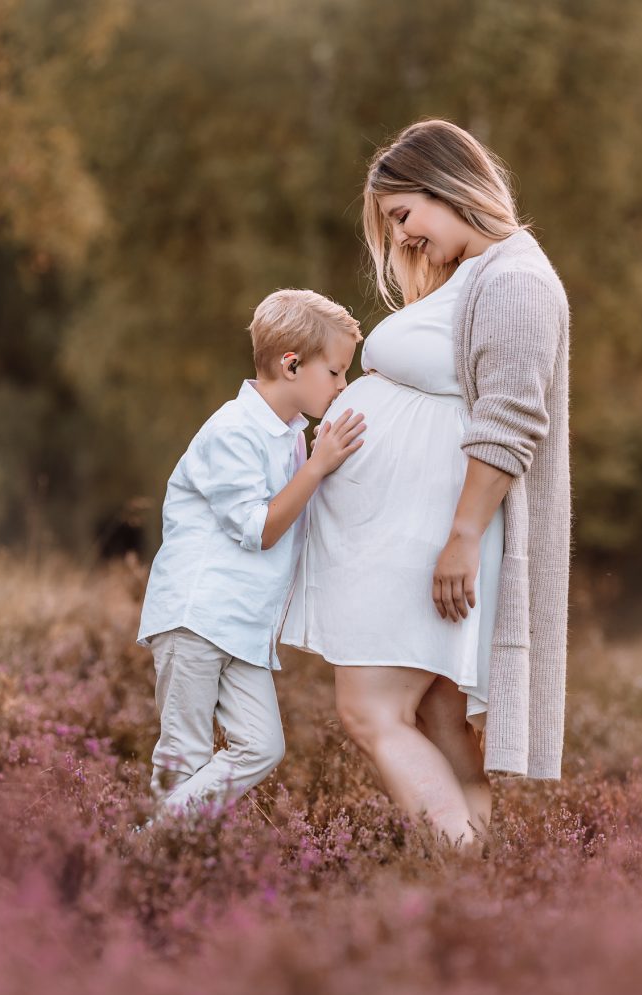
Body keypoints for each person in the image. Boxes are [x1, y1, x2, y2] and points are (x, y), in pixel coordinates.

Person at [281, 120, 571, 850]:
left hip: (434, 533)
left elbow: (509, 422)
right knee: (438, 718)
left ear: (448, 188)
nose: (403, 238)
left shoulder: (515, 280)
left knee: (370, 710)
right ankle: (481, 885)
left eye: (404, 215)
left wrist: (462, 538)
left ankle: (457, 871)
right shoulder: (482, 275)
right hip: (417, 530)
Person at [136, 289, 365, 821]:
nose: (342, 384)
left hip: (243, 627)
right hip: (195, 617)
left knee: (261, 746)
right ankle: (153, 867)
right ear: (291, 365)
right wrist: (318, 467)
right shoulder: (233, 431)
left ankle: (154, 846)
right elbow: (259, 529)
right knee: (182, 757)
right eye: (334, 372)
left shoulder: (291, 438)